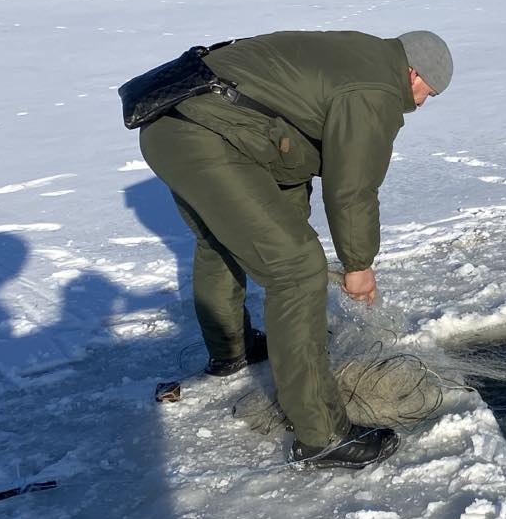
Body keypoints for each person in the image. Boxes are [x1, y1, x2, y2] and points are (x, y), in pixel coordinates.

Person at [136, 29, 453, 470]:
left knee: (227, 237)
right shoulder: (376, 88)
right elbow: (352, 187)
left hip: (178, 123)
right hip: (207, 134)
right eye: (426, 93)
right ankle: (323, 437)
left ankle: (232, 352)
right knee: (299, 270)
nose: (419, 104)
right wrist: (359, 264)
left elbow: (288, 121)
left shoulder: (359, 52)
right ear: (413, 72)